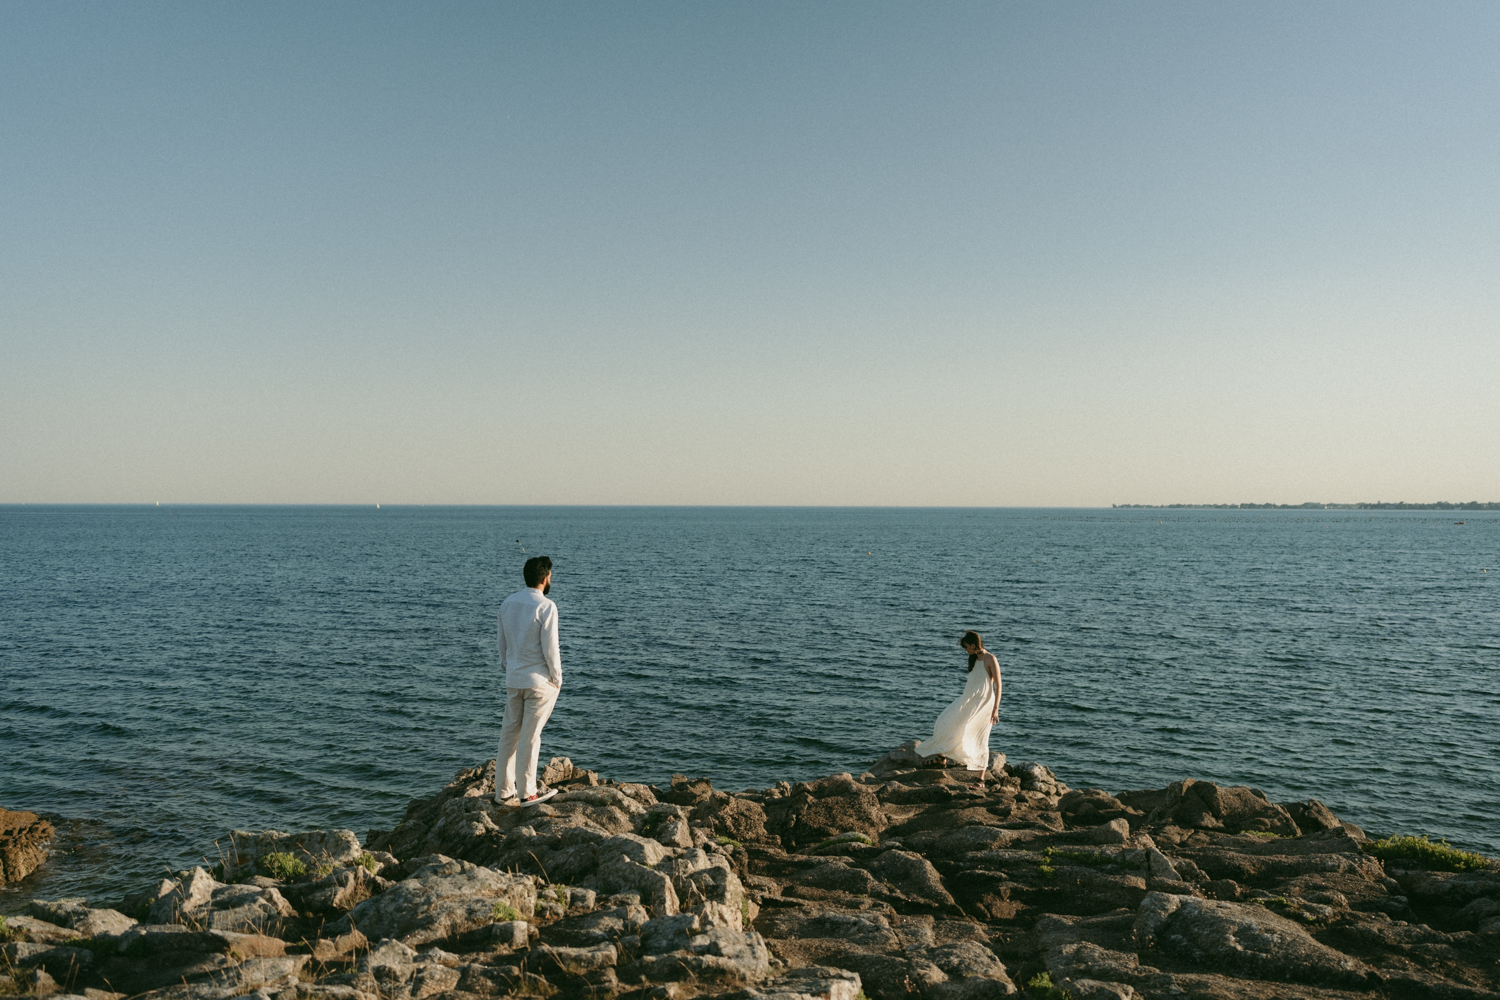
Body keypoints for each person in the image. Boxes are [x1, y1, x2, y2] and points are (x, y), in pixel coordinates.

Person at [494, 556, 562, 806]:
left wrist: (507, 667)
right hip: (538, 683)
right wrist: (557, 679)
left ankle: (502, 792)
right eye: (551, 575)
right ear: (545, 578)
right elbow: (551, 649)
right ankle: (528, 793)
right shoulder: (546, 606)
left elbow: (502, 644)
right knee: (530, 737)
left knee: (509, 735)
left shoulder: (508, 603)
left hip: (514, 679)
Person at [915, 630, 1001, 771]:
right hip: (968, 700)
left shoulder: (990, 659)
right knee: (945, 721)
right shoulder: (974, 658)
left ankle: (981, 778)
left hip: (984, 704)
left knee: (979, 737)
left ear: (973, 645)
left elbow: (998, 685)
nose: (966, 650)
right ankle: (941, 758)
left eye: (966, 647)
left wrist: (995, 709)